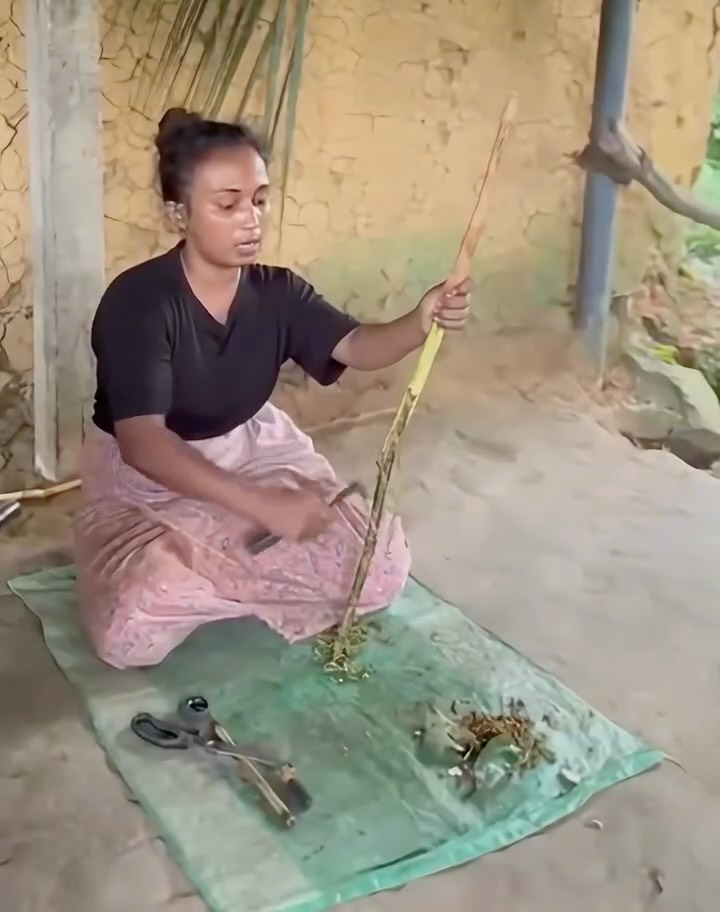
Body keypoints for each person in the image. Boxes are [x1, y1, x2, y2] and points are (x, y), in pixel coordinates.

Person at [75, 109, 471, 669]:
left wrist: (420, 319)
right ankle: (210, 564)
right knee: (130, 631)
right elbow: (144, 444)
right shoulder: (139, 303)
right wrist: (262, 506)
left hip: (256, 453)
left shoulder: (278, 292)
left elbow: (356, 346)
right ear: (178, 213)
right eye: (228, 203)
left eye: (259, 200)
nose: (250, 219)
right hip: (149, 483)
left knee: (379, 571)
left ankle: (232, 569)